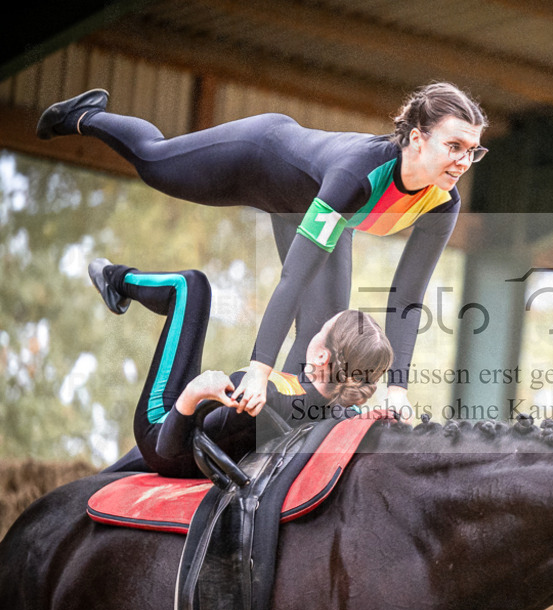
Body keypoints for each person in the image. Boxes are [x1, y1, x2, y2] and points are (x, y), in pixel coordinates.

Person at [38, 82, 487, 421]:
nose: (463, 162)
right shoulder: (357, 175)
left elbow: (406, 299)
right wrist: (258, 368)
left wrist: (397, 391)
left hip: (311, 212)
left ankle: (269, 441)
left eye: (473, 151)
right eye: (454, 147)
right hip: (258, 158)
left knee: (320, 334)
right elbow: (293, 278)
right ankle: (86, 117)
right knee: (155, 163)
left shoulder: (443, 203)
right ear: (416, 138)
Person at [90, 257, 394, 478]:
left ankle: (114, 279)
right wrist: (366, 419)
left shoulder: (265, 393)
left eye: (320, 330)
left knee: (190, 286)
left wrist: (193, 393)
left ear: (322, 358)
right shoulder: (335, 414)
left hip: (160, 432)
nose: (313, 332)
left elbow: (168, 449)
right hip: (184, 442)